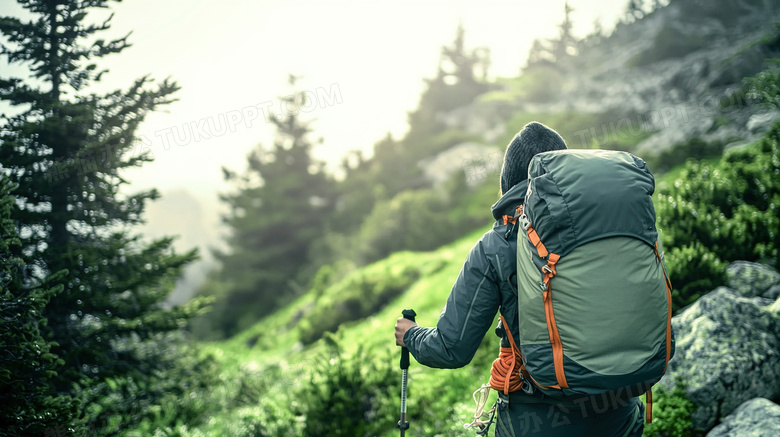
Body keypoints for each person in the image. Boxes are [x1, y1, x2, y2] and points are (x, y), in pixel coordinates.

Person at [393, 121, 645, 436]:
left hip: (537, 421)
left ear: (506, 183)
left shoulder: (496, 244)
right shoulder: (607, 220)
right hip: (620, 411)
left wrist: (412, 335)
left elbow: (451, 349)